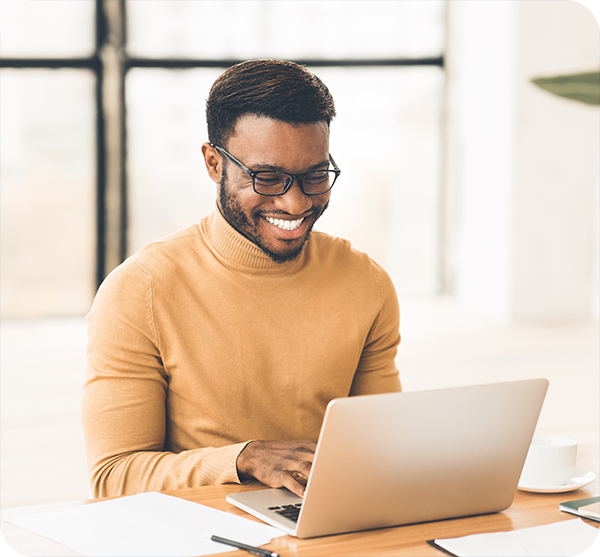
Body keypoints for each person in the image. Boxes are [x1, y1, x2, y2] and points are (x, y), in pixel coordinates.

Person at [82, 59, 402, 500]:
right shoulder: (140, 290)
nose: (294, 203)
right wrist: (243, 458)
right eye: (268, 178)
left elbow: (384, 445)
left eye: (314, 176)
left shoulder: (366, 283)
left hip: (328, 521)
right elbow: (114, 476)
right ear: (214, 163)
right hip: (196, 530)